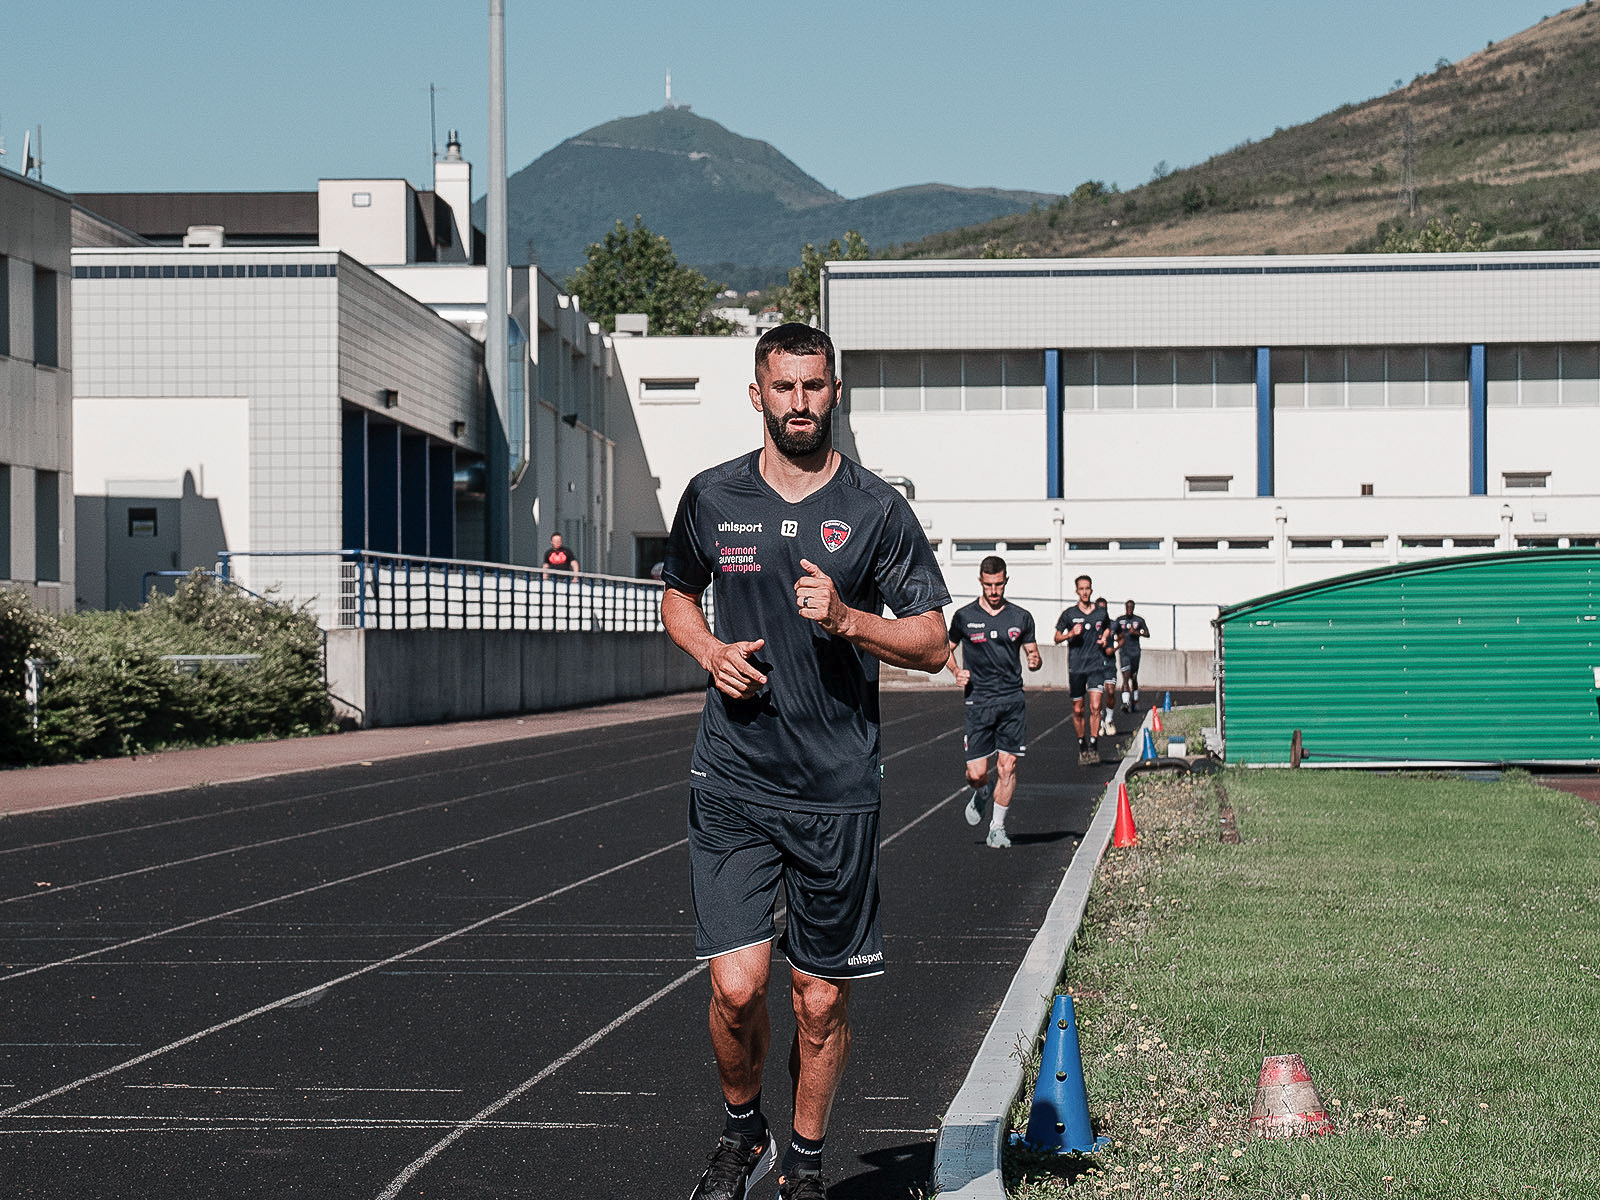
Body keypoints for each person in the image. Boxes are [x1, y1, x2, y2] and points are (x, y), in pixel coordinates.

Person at [661, 322, 951, 1200]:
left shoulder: (875, 509)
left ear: (835, 394)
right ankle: (743, 1132)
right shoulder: (712, 496)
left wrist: (849, 620)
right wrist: (710, 650)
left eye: (814, 386)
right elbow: (677, 594)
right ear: (758, 395)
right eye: (783, 387)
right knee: (737, 987)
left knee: (819, 1001)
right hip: (735, 778)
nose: (799, 403)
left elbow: (933, 643)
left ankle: (808, 1166)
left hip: (836, 788)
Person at [946, 555, 1041, 848]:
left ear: (1006, 581)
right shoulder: (964, 616)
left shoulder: (1021, 617)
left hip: (1012, 701)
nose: (994, 590)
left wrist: (1034, 660)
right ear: (981, 581)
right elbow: (945, 649)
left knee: (1007, 767)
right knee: (976, 774)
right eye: (988, 585)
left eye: (998, 584)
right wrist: (956, 671)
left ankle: (997, 828)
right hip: (979, 702)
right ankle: (982, 791)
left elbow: (1033, 652)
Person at [1054, 575, 1114, 766]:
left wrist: (1104, 637)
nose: (1085, 592)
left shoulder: (1100, 612)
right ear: (1076, 591)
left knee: (1096, 707)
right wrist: (1071, 634)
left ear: (1091, 590)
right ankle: (1082, 744)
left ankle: (1094, 744)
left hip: (1095, 666)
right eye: (1081, 589)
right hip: (1076, 666)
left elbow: (1108, 627)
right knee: (1078, 709)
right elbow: (1056, 638)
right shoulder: (1069, 614)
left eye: (1087, 588)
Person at [1115, 600, 1151, 712]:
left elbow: (1147, 633)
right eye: (1128, 607)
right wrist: (1117, 639)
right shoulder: (1120, 620)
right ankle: (1125, 702)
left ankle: (1135, 700)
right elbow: (1113, 633)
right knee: (1125, 676)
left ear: (1134, 608)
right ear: (1125, 607)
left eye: (1131, 607)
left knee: (1133, 677)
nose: (1129, 609)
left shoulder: (1139, 620)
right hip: (1124, 652)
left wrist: (1137, 633)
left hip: (1135, 652)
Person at [1094, 595, 1119, 737]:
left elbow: (1122, 639)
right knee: (1097, 696)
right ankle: (1100, 722)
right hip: (1095, 664)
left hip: (1109, 663)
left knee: (1110, 691)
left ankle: (1109, 719)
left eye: (1104, 609)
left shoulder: (1113, 625)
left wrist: (1114, 649)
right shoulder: (1092, 625)